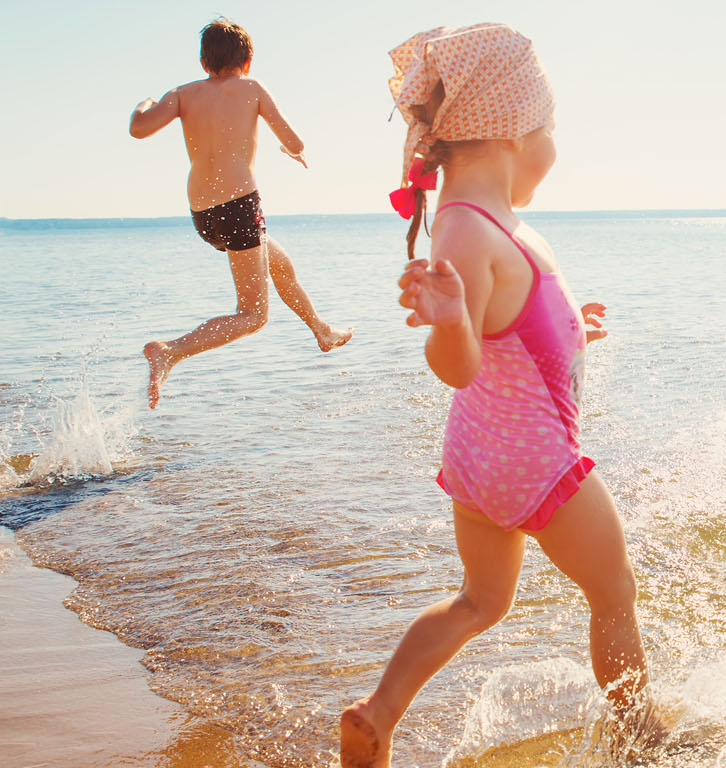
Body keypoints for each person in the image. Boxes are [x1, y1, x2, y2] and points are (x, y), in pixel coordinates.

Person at [339, 24, 660, 766]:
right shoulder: (468, 231)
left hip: (479, 458)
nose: (555, 144)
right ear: (516, 131)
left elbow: (513, 332)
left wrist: (575, 330)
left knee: (480, 602)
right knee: (614, 592)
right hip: (534, 459)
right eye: (552, 127)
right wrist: (450, 322)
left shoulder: (483, 222)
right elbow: (459, 362)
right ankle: (645, 744)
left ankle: (379, 712)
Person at [130, 17, 352, 409]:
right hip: (239, 206)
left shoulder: (182, 93)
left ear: (204, 62)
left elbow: (139, 129)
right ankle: (170, 351)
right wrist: (290, 151)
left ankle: (322, 329)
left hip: (203, 214)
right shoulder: (252, 88)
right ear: (248, 61)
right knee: (253, 316)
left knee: (279, 264)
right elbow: (295, 140)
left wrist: (145, 102)